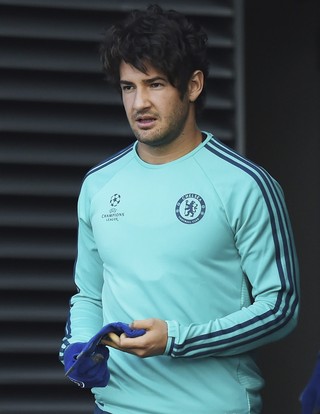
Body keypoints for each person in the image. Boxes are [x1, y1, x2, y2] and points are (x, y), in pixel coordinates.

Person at [59, 4, 300, 413]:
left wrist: (176, 339)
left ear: (193, 85)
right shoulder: (99, 184)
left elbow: (280, 307)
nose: (139, 104)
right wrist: (82, 345)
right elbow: (88, 293)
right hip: (116, 407)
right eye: (128, 87)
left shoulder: (245, 184)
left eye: (155, 84)